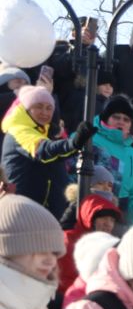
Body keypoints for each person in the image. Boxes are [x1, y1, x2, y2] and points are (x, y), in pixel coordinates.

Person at [4, 85, 95, 215]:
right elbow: (43, 151)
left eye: (49, 108)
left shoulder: (43, 131)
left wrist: (76, 145)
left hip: (44, 212)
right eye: (38, 106)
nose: (45, 112)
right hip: (23, 213)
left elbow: (57, 155)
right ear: (26, 110)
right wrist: (73, 143)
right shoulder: (19, 130)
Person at [88, 95, 133, 224]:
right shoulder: (90, 139)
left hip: (121, 214)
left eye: (126, 119)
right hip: (93, 209)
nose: (121, 122)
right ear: (106, 118)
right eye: (116, 117)